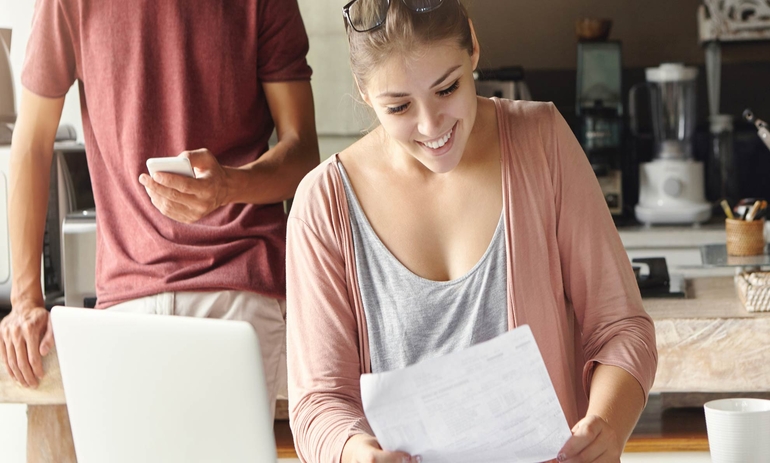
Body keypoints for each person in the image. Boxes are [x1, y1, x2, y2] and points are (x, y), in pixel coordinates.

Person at [286, 1, 657, 462]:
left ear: (474, 49)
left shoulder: (543, 142)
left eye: (447, 88)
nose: (430, 126)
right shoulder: (322, 205)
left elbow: (622, 329)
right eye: (399, 105)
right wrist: (356, 454)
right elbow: (318, 401)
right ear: (363, 90)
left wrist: (606, 427)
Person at [0, 0, 318, 423]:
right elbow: (33, 142)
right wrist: (24, 302)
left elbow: (304, 156)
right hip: (123, 304)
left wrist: (227, 187)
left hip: (238, 291)